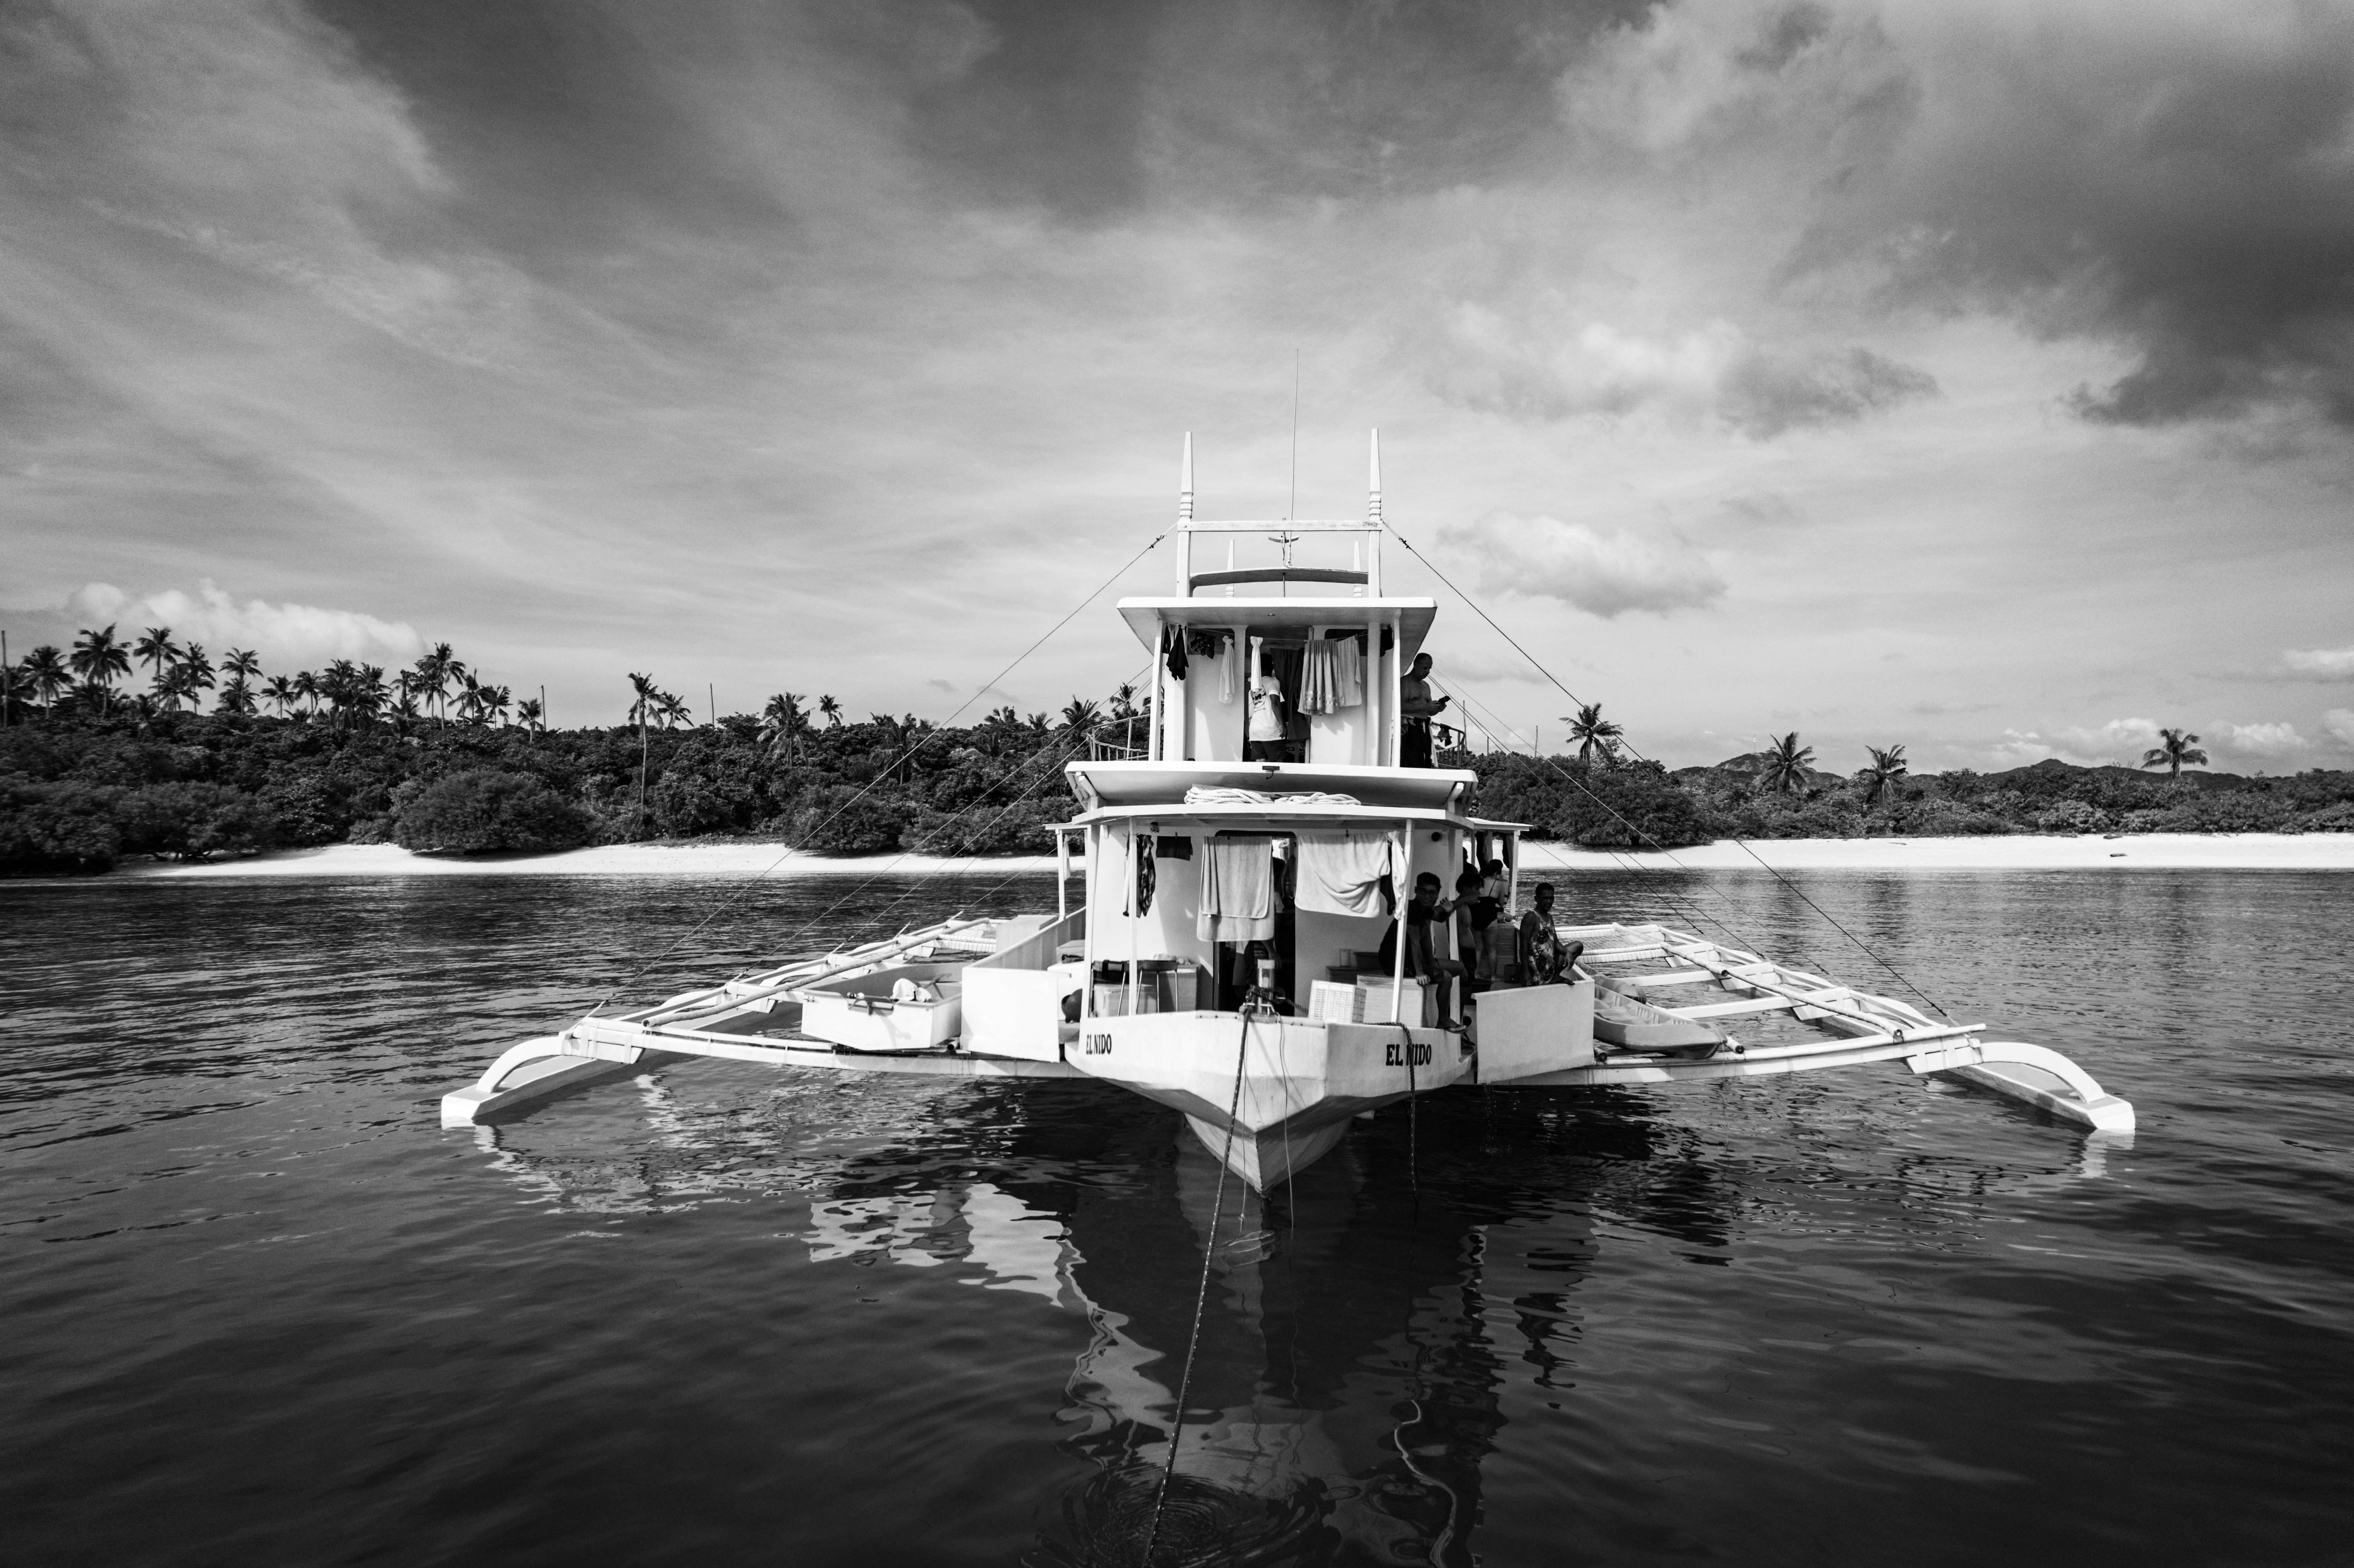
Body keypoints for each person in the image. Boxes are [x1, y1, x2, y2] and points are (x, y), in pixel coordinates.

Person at [1375, 871, 1469, 1027]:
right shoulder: (1412, 908)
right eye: (1423, 892)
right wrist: (1420, 973)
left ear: (1438, 894)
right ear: (1416, 891)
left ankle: (1445, 1009)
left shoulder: (1425, 909)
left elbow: (1439, 918)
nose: (1427, 896)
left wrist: (1448, 911)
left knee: (1459, 967)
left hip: (1411, 960)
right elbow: (1414, 943)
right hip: (1398, 963)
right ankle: (1443, 1020)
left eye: (1432, 893)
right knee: (1446, 977)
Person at [1516, 883, 1584, 986]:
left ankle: (1555, 976)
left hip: (1550, 963)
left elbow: (1556, 942)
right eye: (1545, 898)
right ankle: (1548, 978)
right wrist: (1525, 972)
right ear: (1537, 899)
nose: (1549, 901)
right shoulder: (1531, 917)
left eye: (1552, 898)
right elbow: (1523, 946)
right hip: (1536, 968)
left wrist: (1568, 953)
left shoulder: (1550, 917)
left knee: (1578, 946)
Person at [1399, 653, 1449, 767]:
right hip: (1408, 728)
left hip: (1424, 727)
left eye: (1430, 669)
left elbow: (1429, 711)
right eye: (1425, 668)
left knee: (1425, 760)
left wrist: (1437, 709)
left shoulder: (1426, 686)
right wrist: (1426, 707)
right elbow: (1400, 707)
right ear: (1416, 665)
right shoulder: (1404, 683)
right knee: (1411, 760)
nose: (1428, 672)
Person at [1245, 671, 1288, 762]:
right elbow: (1275, 702)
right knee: (1277, 764)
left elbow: (1251, 712)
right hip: (1271, 729)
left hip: (1255, 730)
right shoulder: (1273, 682)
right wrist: (1282, 724)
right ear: (1271, 667)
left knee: (1260, 763)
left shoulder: (1253, 687)